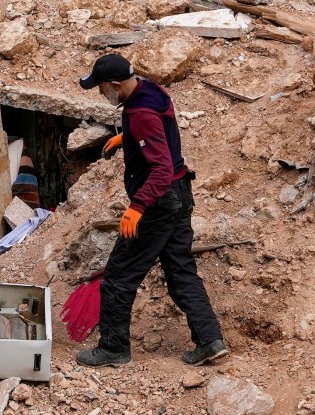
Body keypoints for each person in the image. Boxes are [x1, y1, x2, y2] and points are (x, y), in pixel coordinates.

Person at [74, 52, 227, 368]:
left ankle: (114, 348)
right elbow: (160, 132)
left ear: (116, 84)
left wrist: (137, 208)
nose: (102, 94)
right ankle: (210, 341)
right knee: (180, 269)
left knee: (118, 275)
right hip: (181, 194)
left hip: (159, 202)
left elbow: (160, 169)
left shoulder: (141, 113)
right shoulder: (149, 90)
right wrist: (126, 137)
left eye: (102, 89)